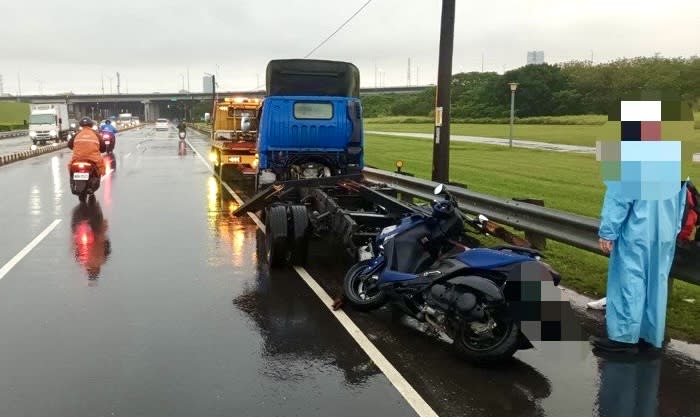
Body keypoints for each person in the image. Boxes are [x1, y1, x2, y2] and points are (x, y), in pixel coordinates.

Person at [590, 100, 688, 354]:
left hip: (637, 231)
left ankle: (624, 338)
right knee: (657, 282)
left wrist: (608, 231)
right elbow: (681, 204)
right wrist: (674, 230)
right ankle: (651, 337)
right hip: (665, 233)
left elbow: (620, 199)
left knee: (630, 281)